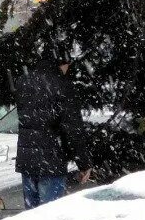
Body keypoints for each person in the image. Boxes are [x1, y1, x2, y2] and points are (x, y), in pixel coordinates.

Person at [13, 46, 91, 209]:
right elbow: (73, 129)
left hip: (27, 161)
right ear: (62, 63)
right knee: (50, 217)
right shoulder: (62, 86)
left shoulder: (24, 82)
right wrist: (83, 164)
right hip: (51, 160)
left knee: (31, 216)